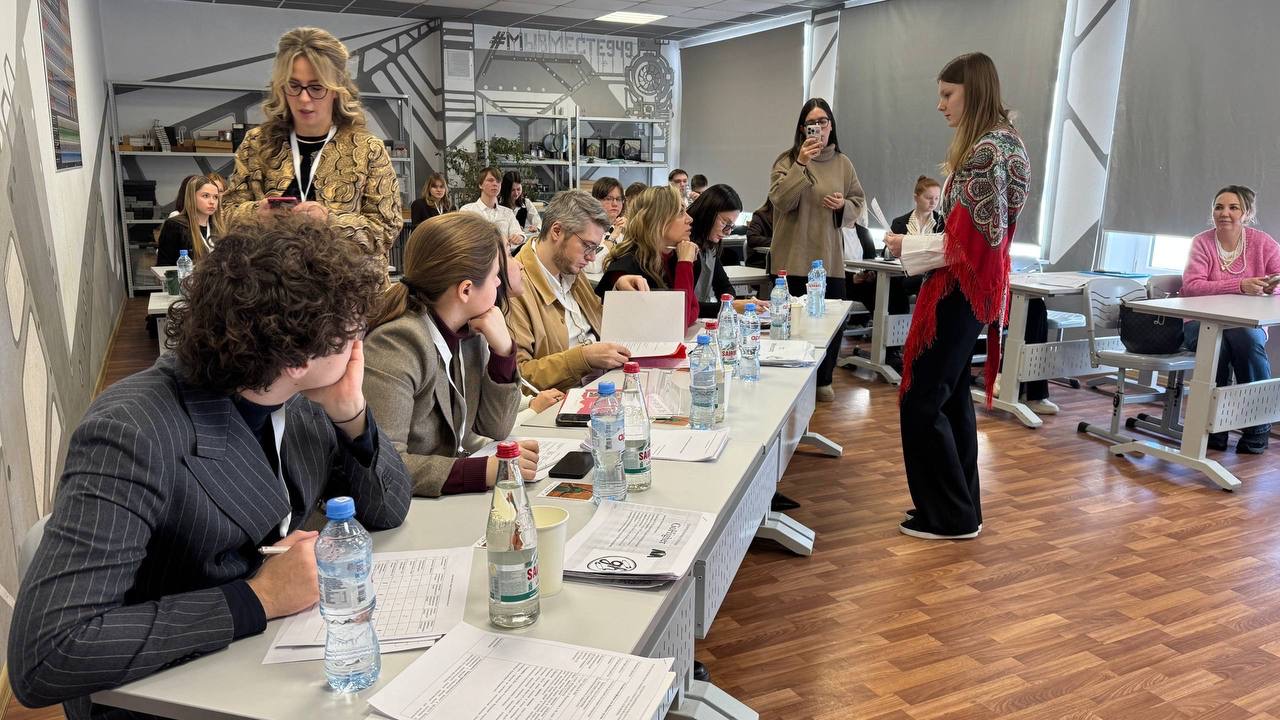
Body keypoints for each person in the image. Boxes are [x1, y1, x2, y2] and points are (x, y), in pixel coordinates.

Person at [7, 215, 412, 719]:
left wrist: (351, 413)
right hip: (169, 695)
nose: (358, 348)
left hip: (265, 665)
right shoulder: (132, 430)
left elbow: (388, 509)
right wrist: (257, 598)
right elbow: (47, 655)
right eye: (352, 334)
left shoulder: (301, 399)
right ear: (296, 358)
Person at [884, 52, 1030, 540]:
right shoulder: (1005, 142)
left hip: (960, 289)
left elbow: (967, 245)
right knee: (948, 399)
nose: (941, 104)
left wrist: (907, 246)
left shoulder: (987, 151)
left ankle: (949, 515)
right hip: (972, 289)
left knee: (923, 399)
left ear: (974, 91)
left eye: (948, 94)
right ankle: (961, 507)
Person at [362, 213, 535, 497]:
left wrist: (503, 353)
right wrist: (483, 471)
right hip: (407, 511)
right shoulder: (396, 344)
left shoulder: (471, 333)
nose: (499, 284)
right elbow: (384, 467)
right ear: (466, 290)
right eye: (495, 276)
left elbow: (496, 428)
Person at [222, 27, 402, 264]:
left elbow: (386, 229)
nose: (304, 98)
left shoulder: (368, 150)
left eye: (316, 88)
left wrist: (329, 221)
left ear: (336, 89)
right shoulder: (257, 144)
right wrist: (257, 214)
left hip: (346, 284)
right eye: (294, 85)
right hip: (270, 282)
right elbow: (226, 214)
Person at [769, 97, 866, 401]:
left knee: (830, 323)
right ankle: (788, 380)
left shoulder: (843, 163)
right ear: (802, 129)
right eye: (811, 123)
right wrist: (801, 163)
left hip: (829, 258)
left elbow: (858, 203)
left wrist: (843, 205)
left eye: (823, 122)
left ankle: (823, 379)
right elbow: (781, 200)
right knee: (792, 325)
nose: (818, 128)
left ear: (831, 126)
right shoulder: (787, 161)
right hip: (792, 257)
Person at [1181, 184, 1280, 454]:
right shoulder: (1201, 242)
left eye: (1233, 207)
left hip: (1245, 323)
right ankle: (1214, 429)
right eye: (1219, 207)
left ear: (1247, 213)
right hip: (1199, 322)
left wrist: (1270, 287)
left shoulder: (1263, 243)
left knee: (1245, 338)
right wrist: (1240, 285)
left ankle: (1257, 428)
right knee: (1218, 346)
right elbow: (1192, 286)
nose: (1224, 213)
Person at [507, 190, 634, 392]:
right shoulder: (515, 288)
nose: (592, 257)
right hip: (567, 397)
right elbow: (519, 379)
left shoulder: (569, 268)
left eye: (595, 248)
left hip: (603, 383)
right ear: (557, 231)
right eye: (588, 246)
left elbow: (597, 319)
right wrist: (583, 358)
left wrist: (617, 289)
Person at [596, 185, 700, 328]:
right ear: (657, 220)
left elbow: (693, 311)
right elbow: (677, 325)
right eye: (680, 212)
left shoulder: (672, 256)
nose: (690, 219)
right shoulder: (626, 268)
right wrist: (685, 264)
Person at [688, 184, 762, 317]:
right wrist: (730, 307)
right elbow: (685, 306)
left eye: (731, 226)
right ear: (707, 214)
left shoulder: (709, 246)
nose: (727, 232)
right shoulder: (686, 248)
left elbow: (724, 286)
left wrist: (734, 303)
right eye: (724, 222)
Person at [157, 174, 223, 264]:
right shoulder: (175, 225)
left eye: (215, 197)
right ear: (192, 197)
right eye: (205, 196)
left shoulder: (219, 228)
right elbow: (164, 265)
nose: (212, 202)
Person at [460, 166, 523, 248]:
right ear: (480, 185)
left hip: (504, 254)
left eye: (498, 181)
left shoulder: (507, 212)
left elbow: (518, 233)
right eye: (490, 180)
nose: (495, 184)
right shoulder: (467, 211)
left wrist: (519, 237)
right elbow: (462, 238)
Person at [584, 177, 626, 274]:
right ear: (595, 200)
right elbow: (591, 267)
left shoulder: (622, 230)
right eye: (608, 199)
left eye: (618, 199)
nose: (615, 204)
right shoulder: (586, 228)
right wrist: (612, 238)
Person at [745, 199, 774, 269]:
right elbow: (752, 238)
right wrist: (778, 243)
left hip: (786, 259)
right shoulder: (760, 215)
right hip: (762, 259)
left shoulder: (791, 216)